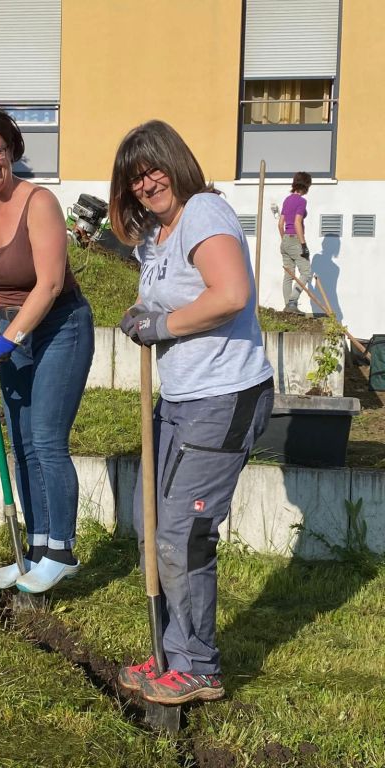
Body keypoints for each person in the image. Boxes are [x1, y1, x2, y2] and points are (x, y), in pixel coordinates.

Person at [109, 120, 274, 706]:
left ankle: (198, 666)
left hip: (224, 396)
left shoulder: (204, 211)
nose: (146, 183)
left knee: (183, 534)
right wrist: (140, 314)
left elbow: (231, 294)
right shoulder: (157, 235)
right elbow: (159, 299)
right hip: (179, 398)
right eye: (134, 178)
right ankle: (169, 654)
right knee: (152, 525)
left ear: (175, 161)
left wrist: (163, 326)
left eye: (152, 169)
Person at [0, 106, 94, 594]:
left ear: (11, 150)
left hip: (60, 325)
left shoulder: (39, 202)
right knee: (23, 442)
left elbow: (49, 283)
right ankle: (35, 548)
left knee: (47, 438)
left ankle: (62, 552)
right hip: (9, 326)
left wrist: (6, 343)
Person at [279, 171, 312, 314]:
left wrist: (285, 240)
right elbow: (297, 222)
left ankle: (288, 307)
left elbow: (280, 224)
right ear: (306, 185)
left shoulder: (287, 200)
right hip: (295, 240)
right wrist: (303, 245)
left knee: (289, 274)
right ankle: (292, 303)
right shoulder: (301, 201)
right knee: (306, 272)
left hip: (285, 240)